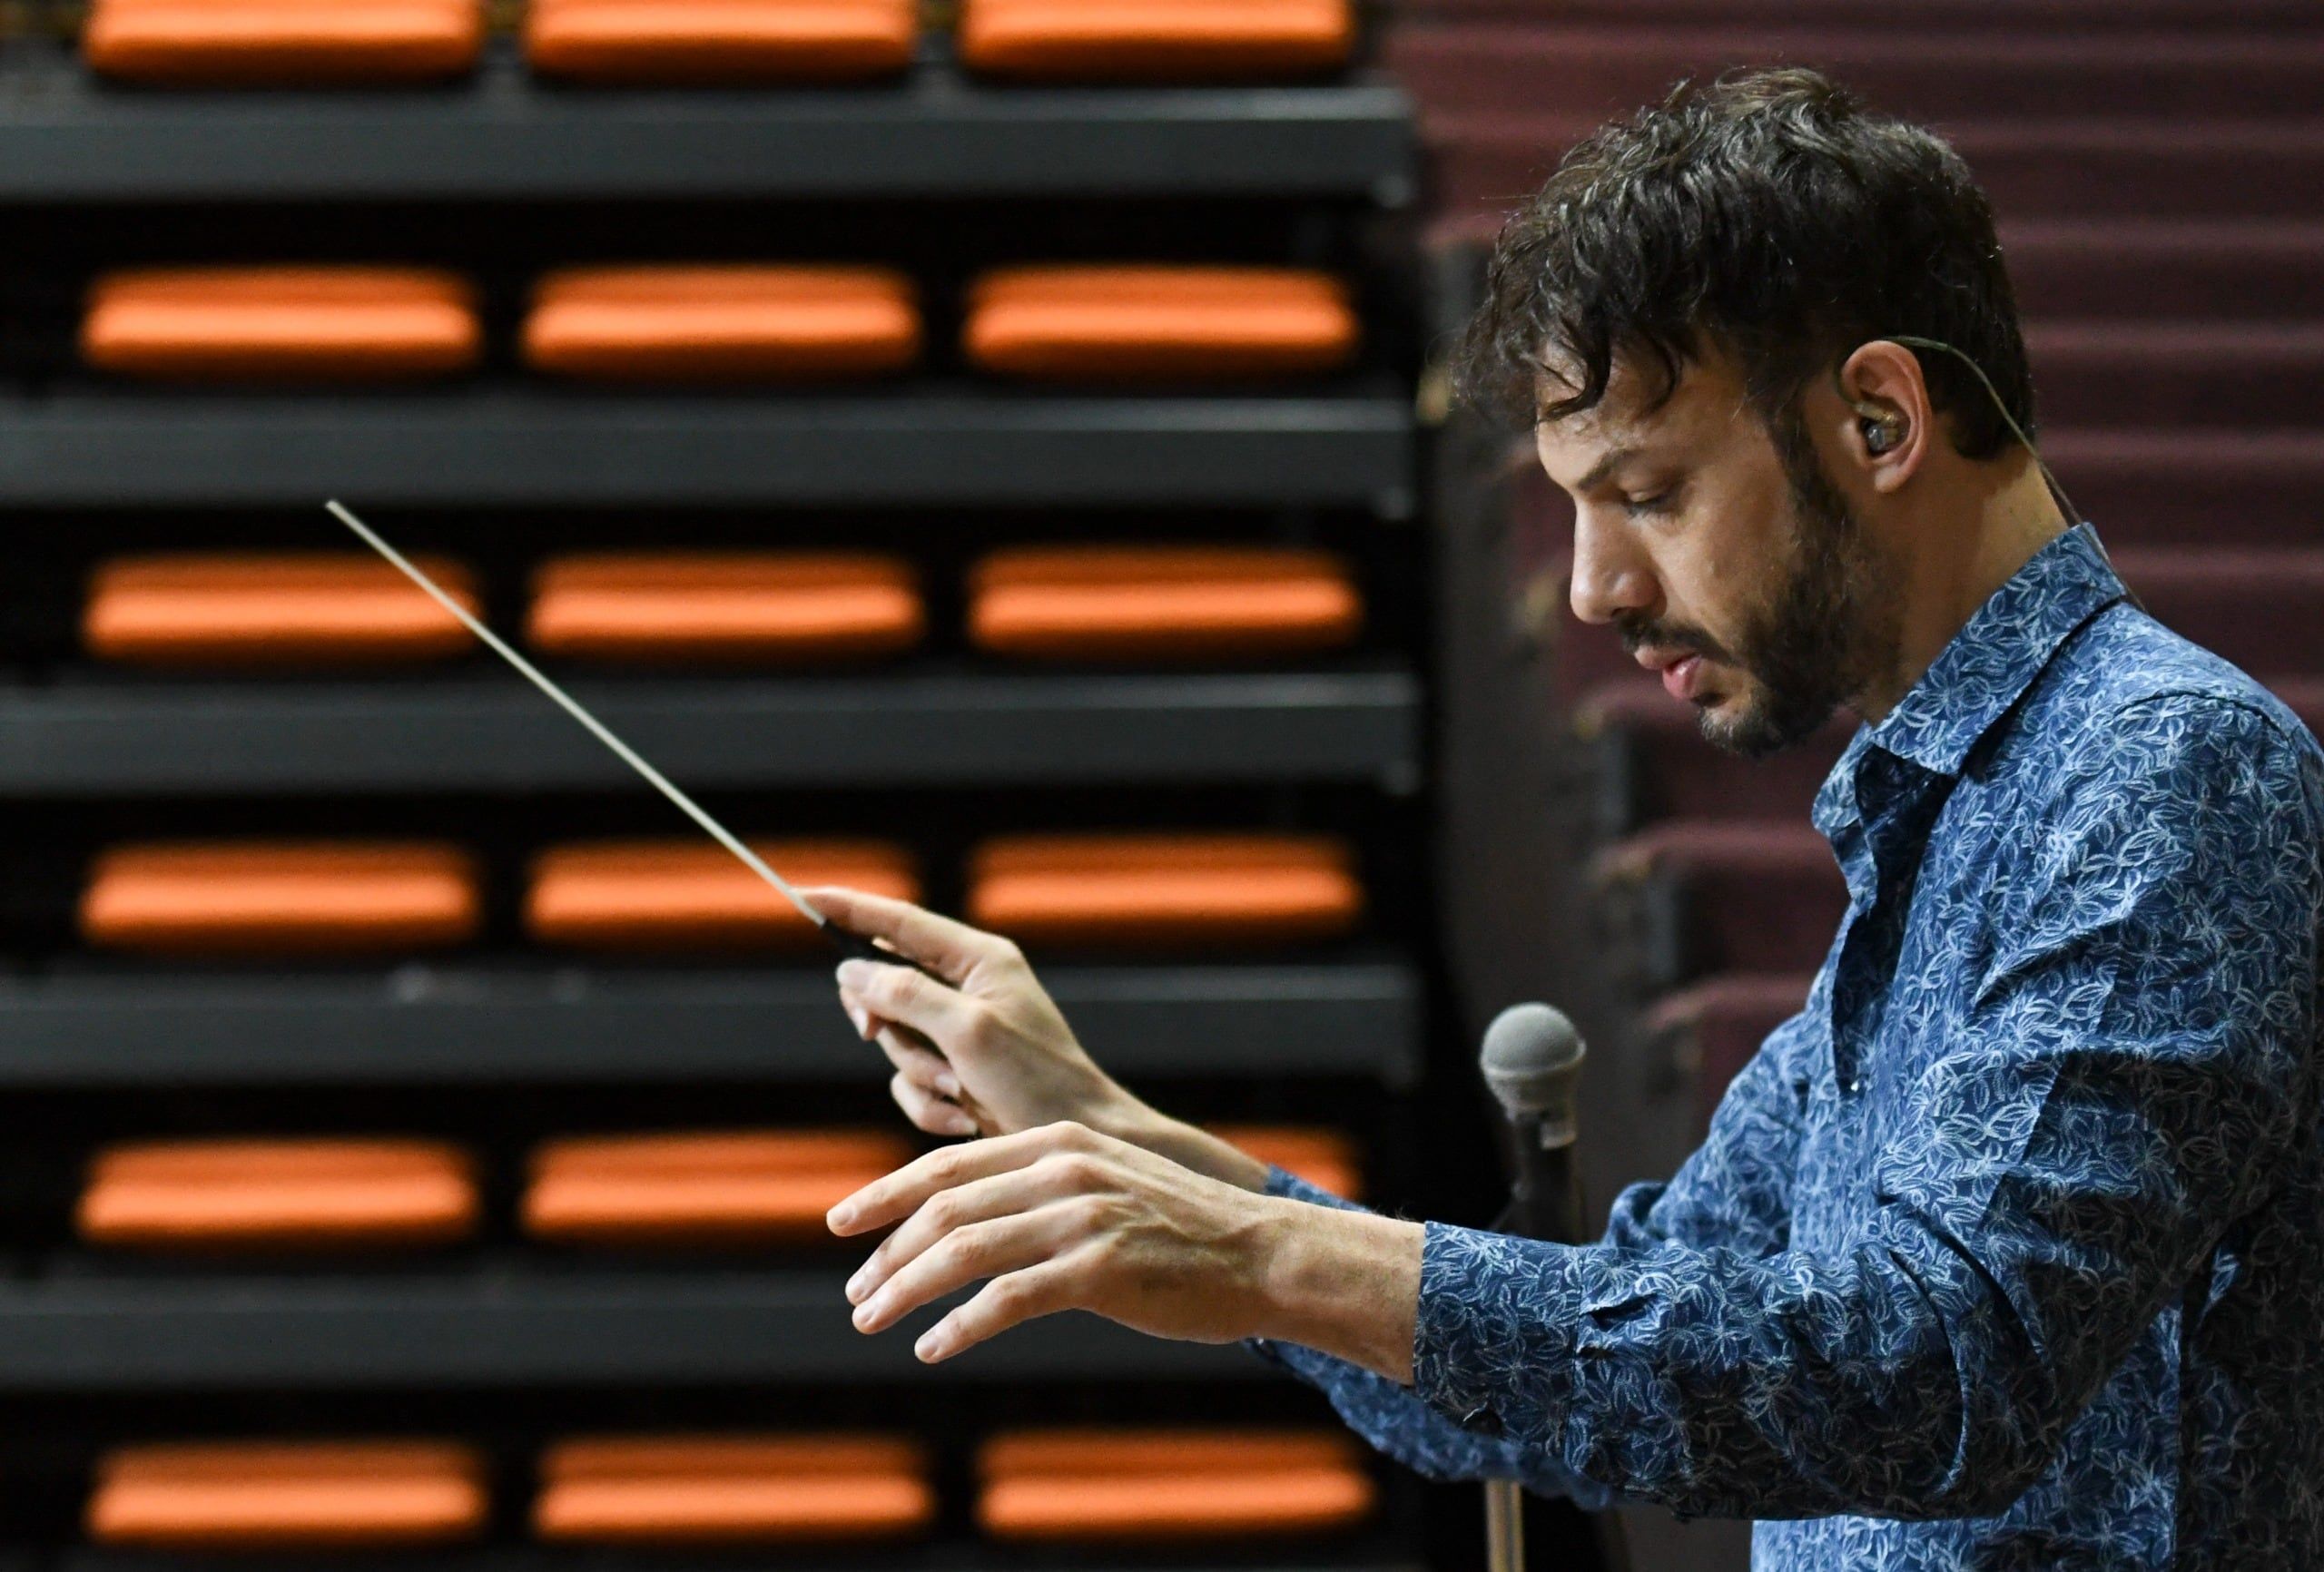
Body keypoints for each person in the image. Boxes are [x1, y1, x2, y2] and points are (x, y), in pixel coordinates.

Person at [805, 67, 2324, 1569]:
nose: (1594, 586)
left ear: (1877, 419)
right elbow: (1590, 1335)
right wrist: (1110, 1131)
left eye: (1649, 492)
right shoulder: (1951, 821)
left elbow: (1936, 1371)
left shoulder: (2162, 776)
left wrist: (1269, 1254)